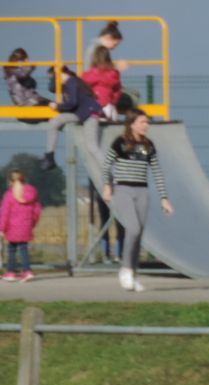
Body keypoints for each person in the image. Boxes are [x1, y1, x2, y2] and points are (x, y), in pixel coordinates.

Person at [102, 108, 173, 292]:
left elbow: (157, 171)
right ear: (132, 124)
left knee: (138, 233)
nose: (146, 125)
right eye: (142, 122)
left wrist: (164, 198)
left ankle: (133, 274)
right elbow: (107, 165)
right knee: (132, 228)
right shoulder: (120, 142)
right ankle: (125, 269)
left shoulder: (148, 145)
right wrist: (107, 185)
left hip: (142, 191)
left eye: (147, 122)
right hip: (123, 190)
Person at [41, 67, 104, 171]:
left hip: (90, 114)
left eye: (52, 78)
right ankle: (49, 156)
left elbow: (72, 102)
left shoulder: (71, 82)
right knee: (54, 122)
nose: (52, 81)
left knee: (92, 146)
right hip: (80, 114)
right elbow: (52, 88)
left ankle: (108, 171)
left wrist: (57, 106)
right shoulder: (68, 84)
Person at [0, 170, 42, 283]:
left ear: (10, 181)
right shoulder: (32, 192)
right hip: (26, 225)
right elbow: (37, 210)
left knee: (11, 249)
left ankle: (10, 272)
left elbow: (5, 213)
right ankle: (27, 271)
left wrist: (2, 228)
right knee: (24, 249)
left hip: (12, 227)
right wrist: (32, 223)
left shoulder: (9, 195)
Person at [4, 48, 52, 119]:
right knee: (55, 108)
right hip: (26, 104)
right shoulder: (12, 72)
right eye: (24, 60)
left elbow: (31, 92)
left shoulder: (18, 72)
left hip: (33, 101)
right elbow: (22, 74)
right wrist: (30, 66)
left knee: (56, 106)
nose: (26, 62)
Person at [82, 44, 123, 121]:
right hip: (109, 106)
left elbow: (82, 90)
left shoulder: (88, 75)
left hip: (92, 107)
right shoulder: (113, 74)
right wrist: (112, 101)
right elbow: (117, 90)